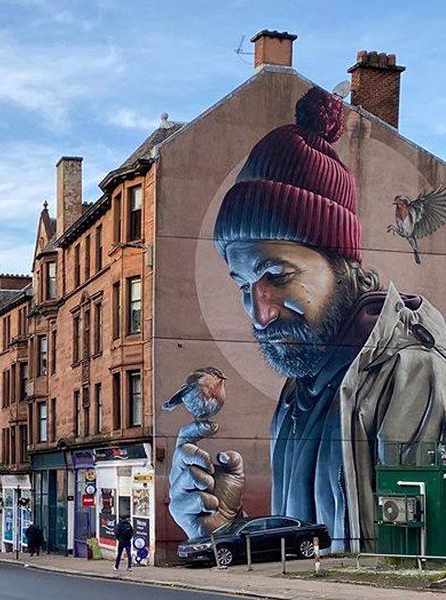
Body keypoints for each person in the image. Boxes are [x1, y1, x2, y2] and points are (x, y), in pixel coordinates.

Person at [169, 86, 446, 553]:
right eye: (242, 286)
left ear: (341, 264)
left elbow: (406, 560)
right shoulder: (302, 389)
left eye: (276, 274)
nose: (260, 314)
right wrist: (225, 528)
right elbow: (307, 551)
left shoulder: (413, 375)